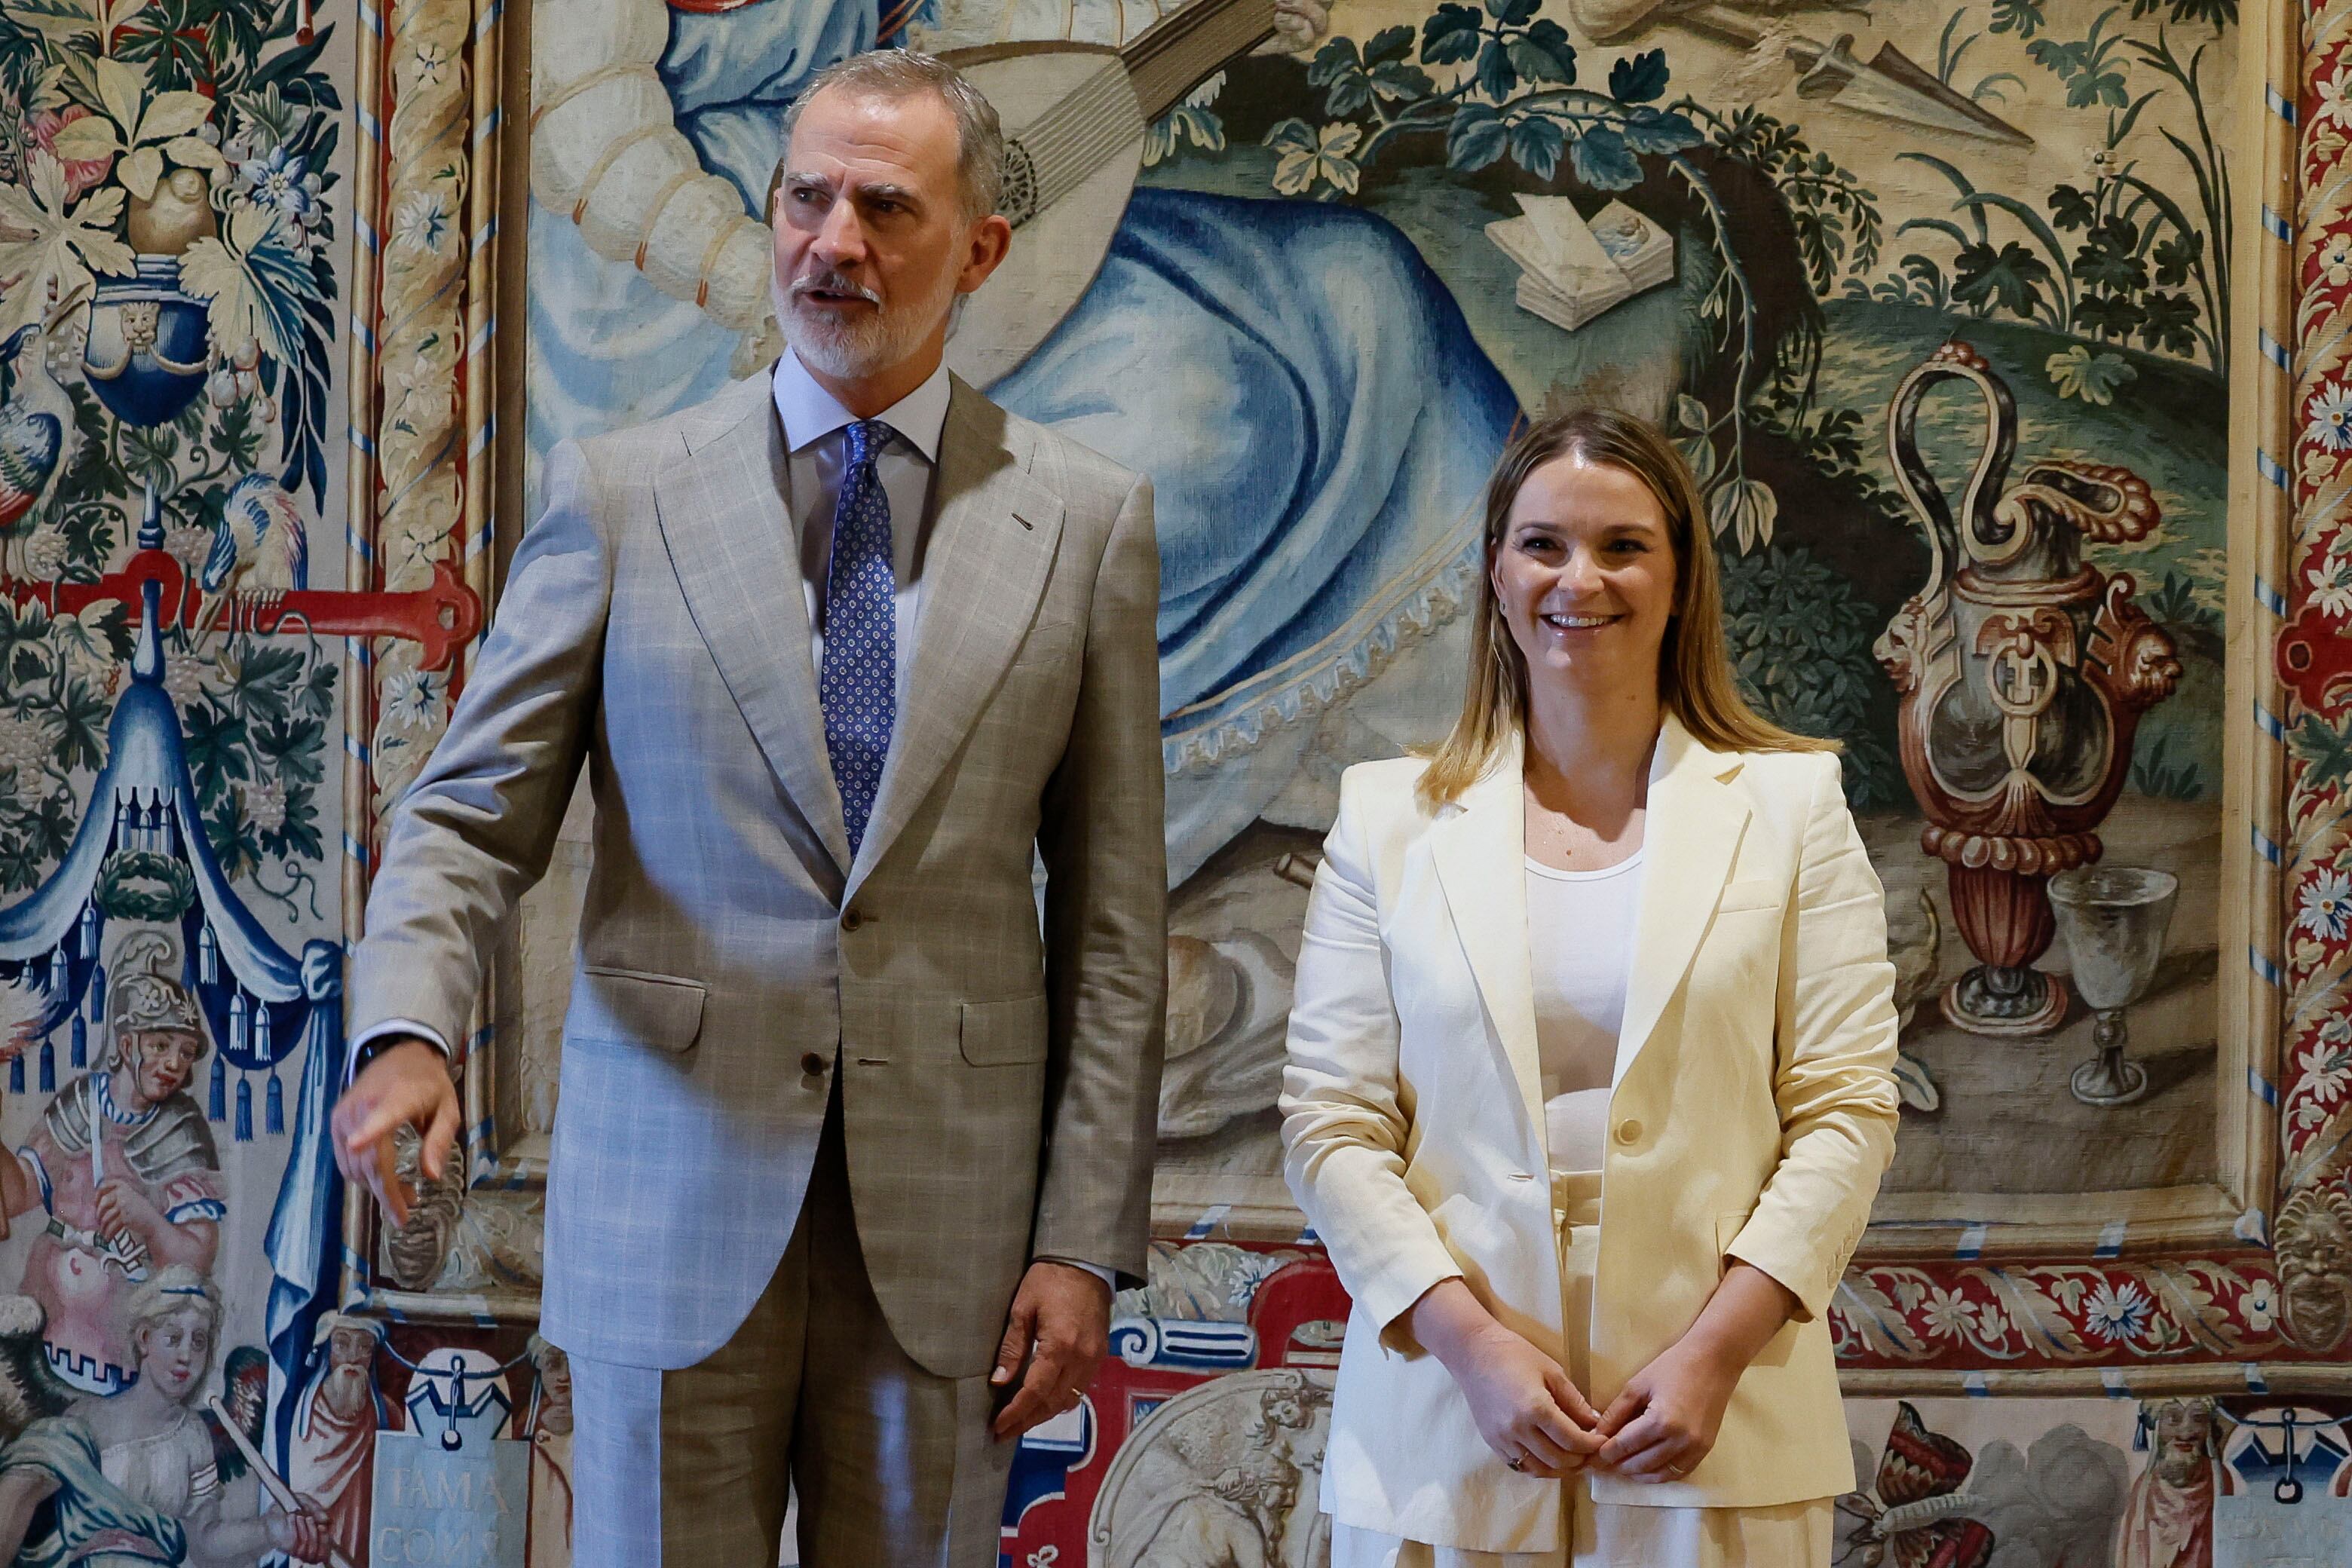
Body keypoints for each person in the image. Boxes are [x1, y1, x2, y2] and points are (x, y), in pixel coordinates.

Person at [330, 45, 1166, 1568]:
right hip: (671, 1199)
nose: (831, 241)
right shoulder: (623, 491)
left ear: (979, 246)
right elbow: (466, 820)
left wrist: (1082, 1238)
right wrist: (405, 1030)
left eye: (886, 208)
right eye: (806, 197)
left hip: (951, 1232)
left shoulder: (1089, 520)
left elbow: (1114, 927)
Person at [1281, 409, 1900, 1566]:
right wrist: (1471, 1347)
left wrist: (1715, 1351)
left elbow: (1848, 1109)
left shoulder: (1793, 808)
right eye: (1543, 545)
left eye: (1623, 545)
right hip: (1446, 1420)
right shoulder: (1384, 820)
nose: (1582, 579)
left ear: (1679, 580)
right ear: (1496, 576)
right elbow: (1331, 1124)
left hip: (1713, 1416)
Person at [0, 933, 224, 1396]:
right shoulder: (79, 1103)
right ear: (126, 1045)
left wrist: (149, 1221)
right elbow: (19, 1192)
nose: (173, 1064)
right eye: (160, 1044)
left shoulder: (183, 1131)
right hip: (46, 1323)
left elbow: (199, 1255)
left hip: (120, 1345)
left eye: (184, 1053)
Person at [0, 1267, 330, 1564]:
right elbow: (18, 1496)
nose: (186, 1355)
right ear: (144, 1339)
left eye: (199, 1342)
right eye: (173, 1339)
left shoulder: (194, 1436)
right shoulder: (88, 1420)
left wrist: (270, 1530)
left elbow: (205, 1543)